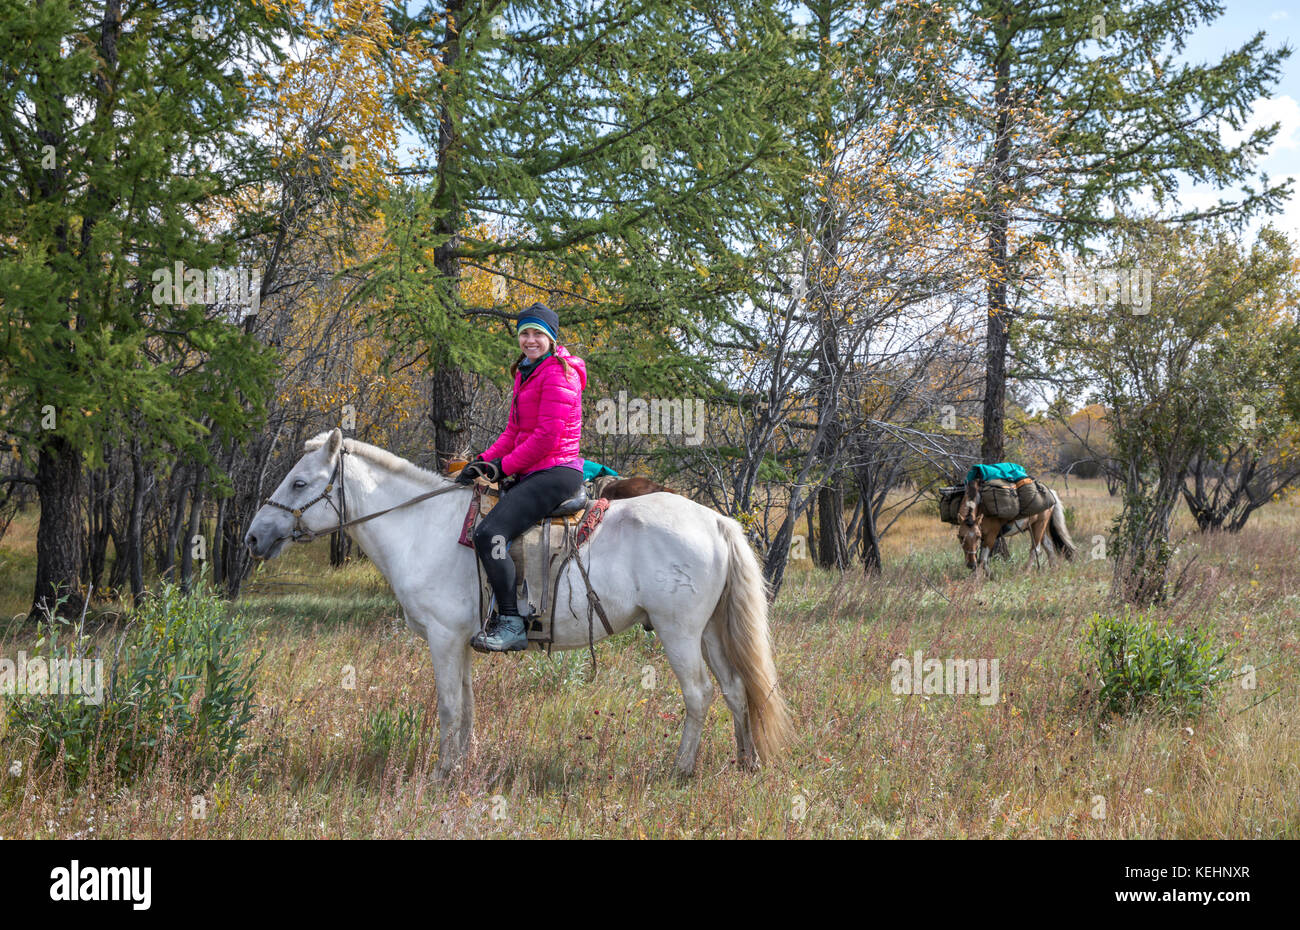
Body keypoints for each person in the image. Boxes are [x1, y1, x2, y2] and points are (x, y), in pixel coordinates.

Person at [457, 303, 587, 652]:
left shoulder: (560, 374)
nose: (530, 340)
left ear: (551, 338)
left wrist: (504, 467)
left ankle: (512, 623)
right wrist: (483, 461)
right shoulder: (526, 371)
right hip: (534, 467)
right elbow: (513, 431)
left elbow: (545, 437)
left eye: (537, 334)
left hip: (556, 470)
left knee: (488, 533)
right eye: (524, 334)